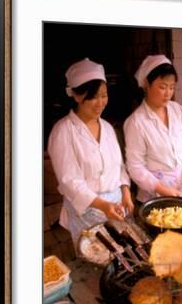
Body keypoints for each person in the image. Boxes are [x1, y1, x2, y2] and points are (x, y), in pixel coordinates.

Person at [47, 58, 134, 247]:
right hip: (87, 211)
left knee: (121, 256)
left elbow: (119, 167)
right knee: (94, 260)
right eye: (93, 96)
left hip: (116, 208)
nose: (100, 103)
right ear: (77, 96)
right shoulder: (63, 131)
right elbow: (70, 181)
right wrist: (103, 205)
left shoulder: (108, 128)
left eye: (104, 95)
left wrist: (125, 191)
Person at [124, 54, 182, 202]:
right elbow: (135, 167)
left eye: (172, 87)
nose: (168, 93)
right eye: (162, 87)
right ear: (147, 84)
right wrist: (161, 189)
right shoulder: (136, 122)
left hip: (179, 191)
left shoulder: (177, 110)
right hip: (152, 198)